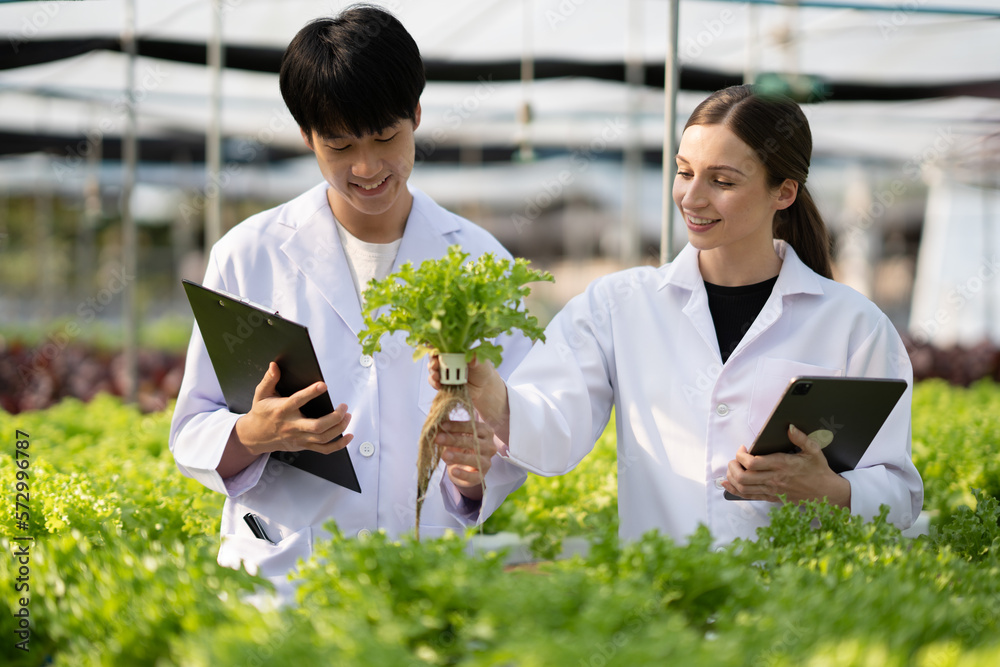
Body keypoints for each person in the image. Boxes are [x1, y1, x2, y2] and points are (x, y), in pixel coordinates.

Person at [432, 84, 923, 545]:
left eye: (722, 180)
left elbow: (899, 494)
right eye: (685, 172)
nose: (692, 197)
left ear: (784, 193)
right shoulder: (618, 306)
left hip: (794, 609)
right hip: (666, 608)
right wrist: (494, 397)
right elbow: (556, 430)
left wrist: (832, 492)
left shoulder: (854, 326)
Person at [169, 5, 530, 585]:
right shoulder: (248, 254)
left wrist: (472, 474)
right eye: (338, 146)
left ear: (416, 114)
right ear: (307, 137)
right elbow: (191, 429)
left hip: (422, 573)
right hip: (283, 575)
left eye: (386, 137)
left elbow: (516, 425)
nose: (366, 167)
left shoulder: (481, 261)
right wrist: (258, 434)